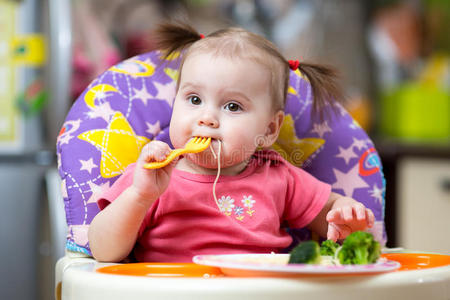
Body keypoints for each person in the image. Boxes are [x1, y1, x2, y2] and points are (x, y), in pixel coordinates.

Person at [88, 22, 375, 263]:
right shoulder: (152, 175)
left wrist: (346, 215)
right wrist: (139, 197)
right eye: (195, 100)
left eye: (233, 107)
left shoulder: (279, 176)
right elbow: (103, 251)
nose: (208, 118)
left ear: (270, 128)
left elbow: (329, 212)